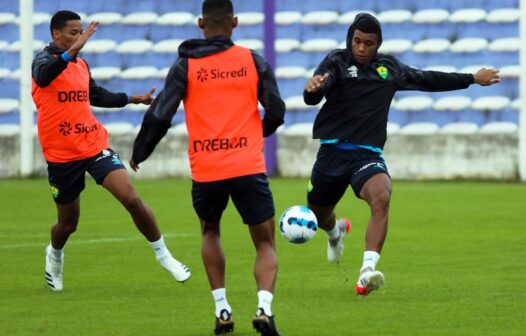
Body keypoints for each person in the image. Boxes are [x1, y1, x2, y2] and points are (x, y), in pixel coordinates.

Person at [303, 13, 500, 296]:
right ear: (350, 39)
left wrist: (471, 78)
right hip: (331, 154)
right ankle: (335, 232)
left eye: (368, 43)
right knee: (319, 214)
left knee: (381, 196)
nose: (361, 48)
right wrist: (312, 90)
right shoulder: (337, 61)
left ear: (377, 44)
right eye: (357, 41)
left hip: (366, 156)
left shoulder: (389, 68)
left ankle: (366, 272)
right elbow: (315, 91)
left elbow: (427, 79)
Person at [130, 1, 285, 334]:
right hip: (247, 164)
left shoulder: (185, 65)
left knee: (210, 231)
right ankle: (264, 309)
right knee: (265, 242)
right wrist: (258, 133)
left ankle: (223, 309)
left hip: (207, 168)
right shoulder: (252, 60)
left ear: (201, 23)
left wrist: (140, 152)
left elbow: (160, 115)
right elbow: (277, 109)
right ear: (235, 23)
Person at [32, 10, 191, 292]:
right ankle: (54, 255)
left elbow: (96, 95)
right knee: (68, 224)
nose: (78, 37)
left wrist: (133, 99)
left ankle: (165, 256)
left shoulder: (80, 65)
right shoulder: (42, 62)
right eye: (73, 32)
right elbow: (45, 78)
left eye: (80, 32)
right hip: (62, 155)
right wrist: (72, 52)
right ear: (56, 34)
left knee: (131, 198)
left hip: (93, 145)